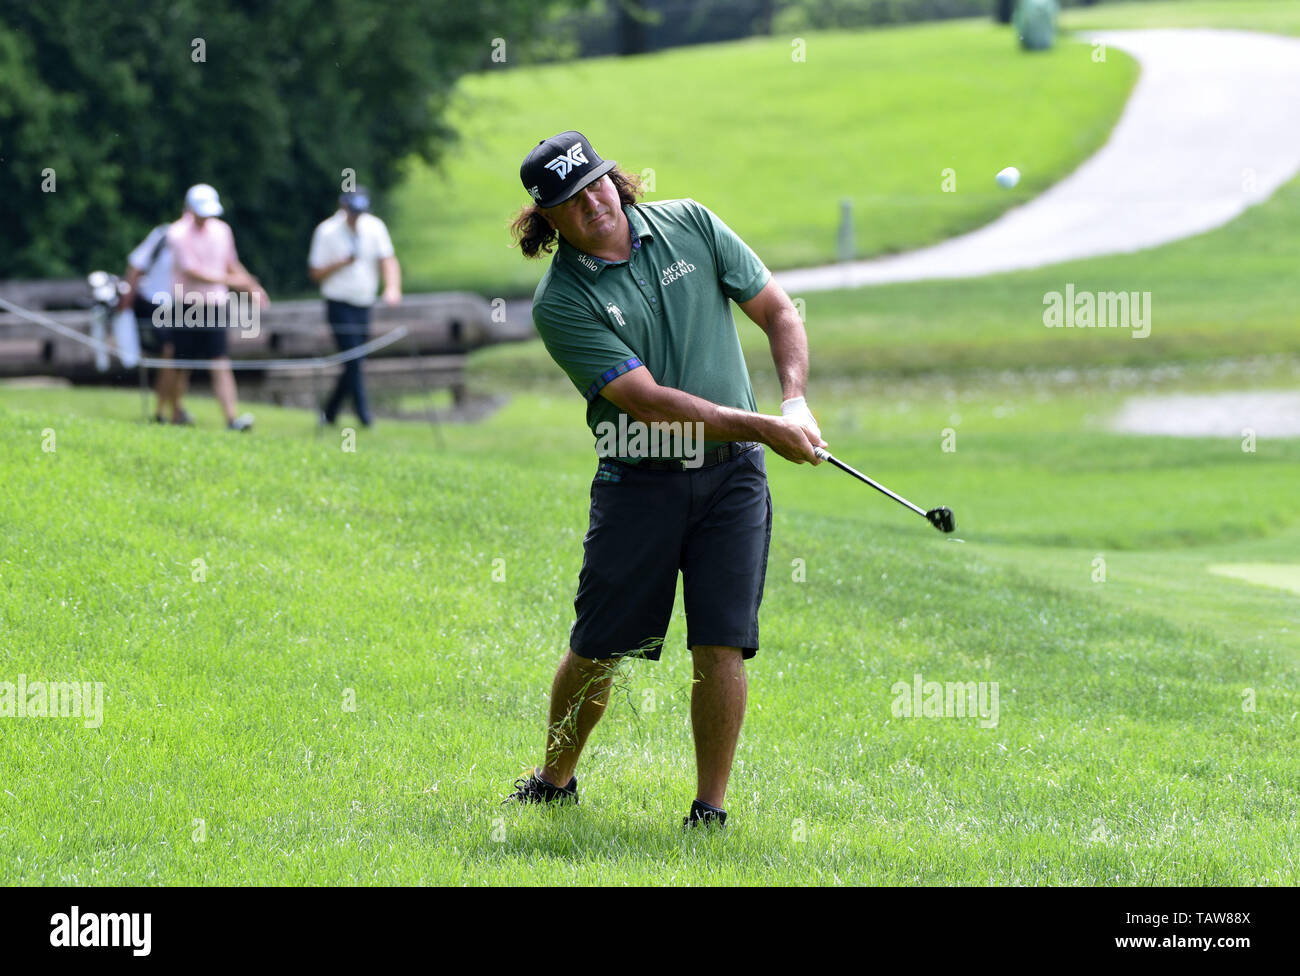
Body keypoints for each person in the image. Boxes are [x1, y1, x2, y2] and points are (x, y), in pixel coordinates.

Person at [502, 131, 826, 828]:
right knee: (598, 646)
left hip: (731, 479)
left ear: (614, 177)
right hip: (638, 481)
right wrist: (764, 426)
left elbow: (778, 310)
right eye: (569, 199)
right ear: (547, 222)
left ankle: (709, 810)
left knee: (721, 641)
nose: (592, 202)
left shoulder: (691, 224)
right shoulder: (560, 304)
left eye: (595, 182)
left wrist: (792, 400)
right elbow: (649, 403)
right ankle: (554, 780)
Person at [166, 183, 268, 431]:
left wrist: (252, 286)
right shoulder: (177, 233)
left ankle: (231, 418)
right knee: (182, 364)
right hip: (186, 303)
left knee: (219, 360)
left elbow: (231, 263)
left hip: (215, 305)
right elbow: (193, 271)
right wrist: (234, 282)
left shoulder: (222, 231)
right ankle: (176, 412)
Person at [308, 186, 402, 428]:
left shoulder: (375, 227)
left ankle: (330, 413)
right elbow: (315, 272)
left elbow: (388, 260)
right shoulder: (327, 231)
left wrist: (392, 288)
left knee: (355, 360)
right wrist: (340, 263)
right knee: (354, 360)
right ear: (344, 207)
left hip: (364, 303)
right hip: (338, 303)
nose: (356, 216)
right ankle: (364, 416)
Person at [118, 220, 186, 423]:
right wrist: (127, 300)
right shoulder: (164, 235)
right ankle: (162, 410)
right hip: (154, 303)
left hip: (183, 305)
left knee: (180, 358)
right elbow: (137, 265)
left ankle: (174, 409)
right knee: (170, 352)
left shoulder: (205, 239)